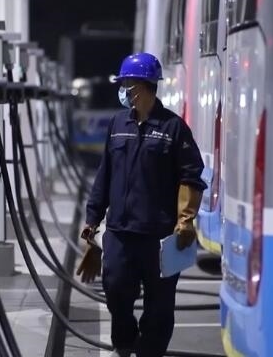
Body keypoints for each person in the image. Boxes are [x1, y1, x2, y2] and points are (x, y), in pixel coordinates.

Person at [75, 52, 206, 357]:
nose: (123, 90)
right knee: (115, 290)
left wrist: (185, 220)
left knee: (160, 306)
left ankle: (149, 351)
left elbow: (191, 175)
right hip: (120, 232)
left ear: (145, 86)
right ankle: (124, 342)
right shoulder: (117, 123)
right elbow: (105, 175)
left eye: (127, 84)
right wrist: (91, 225)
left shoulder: (173, 128)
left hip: (159, 236)